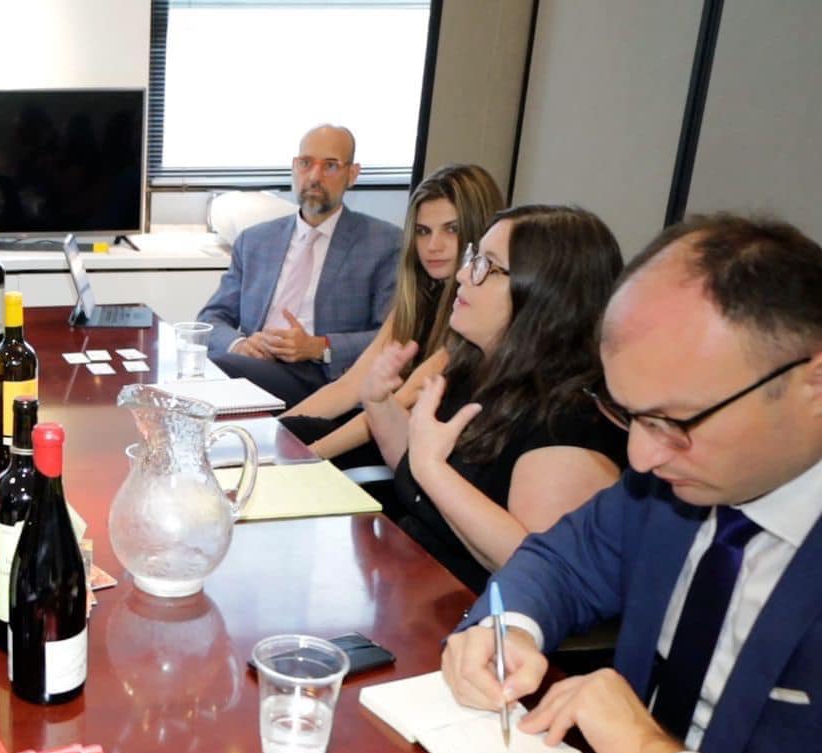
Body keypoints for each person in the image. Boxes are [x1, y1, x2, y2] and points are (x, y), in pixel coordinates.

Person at [441, 214, 822, 753]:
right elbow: (559, 562)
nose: (641, 458)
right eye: (627, 416)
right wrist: (508, 629)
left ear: (813, 382)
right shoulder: (666, 488)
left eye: (674, 422)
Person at [366, 205, 626, 592]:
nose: (462, 275)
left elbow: (540, 569)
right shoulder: (477, 368)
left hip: (472, 612)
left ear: (545, 295)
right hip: (411, 578)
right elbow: (415, 461)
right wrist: (378, 403)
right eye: (475, 258)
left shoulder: (570, 420)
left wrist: (432, 468)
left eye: (488, 266)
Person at [281, 163, 505, 466]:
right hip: (380, 431)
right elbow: (349, 386)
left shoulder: (473, 314)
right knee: (291, 430)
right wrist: (269, 433)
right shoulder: (416, 301)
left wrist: (305, 457)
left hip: (413, 454)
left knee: (299, 443)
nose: (433, 246)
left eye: (451, 229)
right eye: (423, 232)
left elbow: (394, 405)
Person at [196, 124, 403, 406]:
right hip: (254, 364)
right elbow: (211, 318)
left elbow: (391, 336)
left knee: (215, 375)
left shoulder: (383, 243)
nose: (314, 176)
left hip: (324, 378)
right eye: (306, 163)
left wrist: (319, 347)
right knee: (199, 369)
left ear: (352, 174)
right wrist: (240, 345)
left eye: (330, 165)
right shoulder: (256, 241)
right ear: (294, 167)